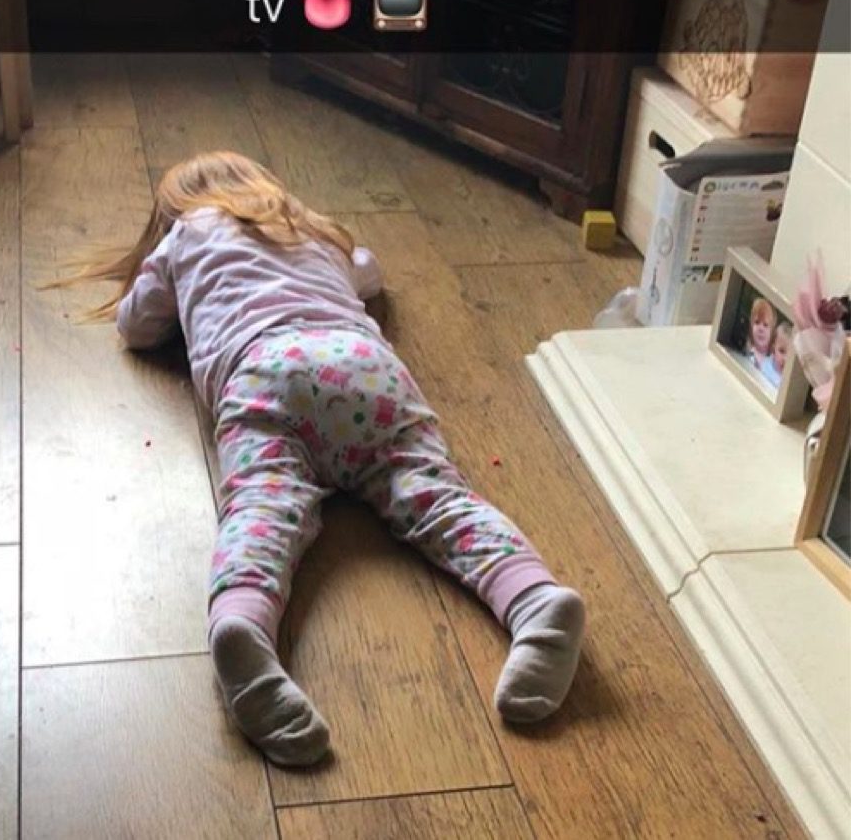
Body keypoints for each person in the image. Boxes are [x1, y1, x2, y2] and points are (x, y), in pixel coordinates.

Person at [58, 151, 585, 767]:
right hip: (363, 365)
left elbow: (136, 325)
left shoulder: (184, 237)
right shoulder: (305, 226)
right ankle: (535, 599)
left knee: (262, 509)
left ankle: (243, 626)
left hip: (263, 373)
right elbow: (371, 272)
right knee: (437, 496)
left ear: (172, 213)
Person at [744, 297, 777, 371]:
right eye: (757, 322)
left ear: (772, 332)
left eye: (765, 325)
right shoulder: (747, 355)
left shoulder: (775, 362)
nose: (761, 328)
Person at [761, 320, 791, 390]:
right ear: (773, 349)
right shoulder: (764, 364)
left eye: (789, 355)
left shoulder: (788, 380)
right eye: (782, 351)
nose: (785, 359)